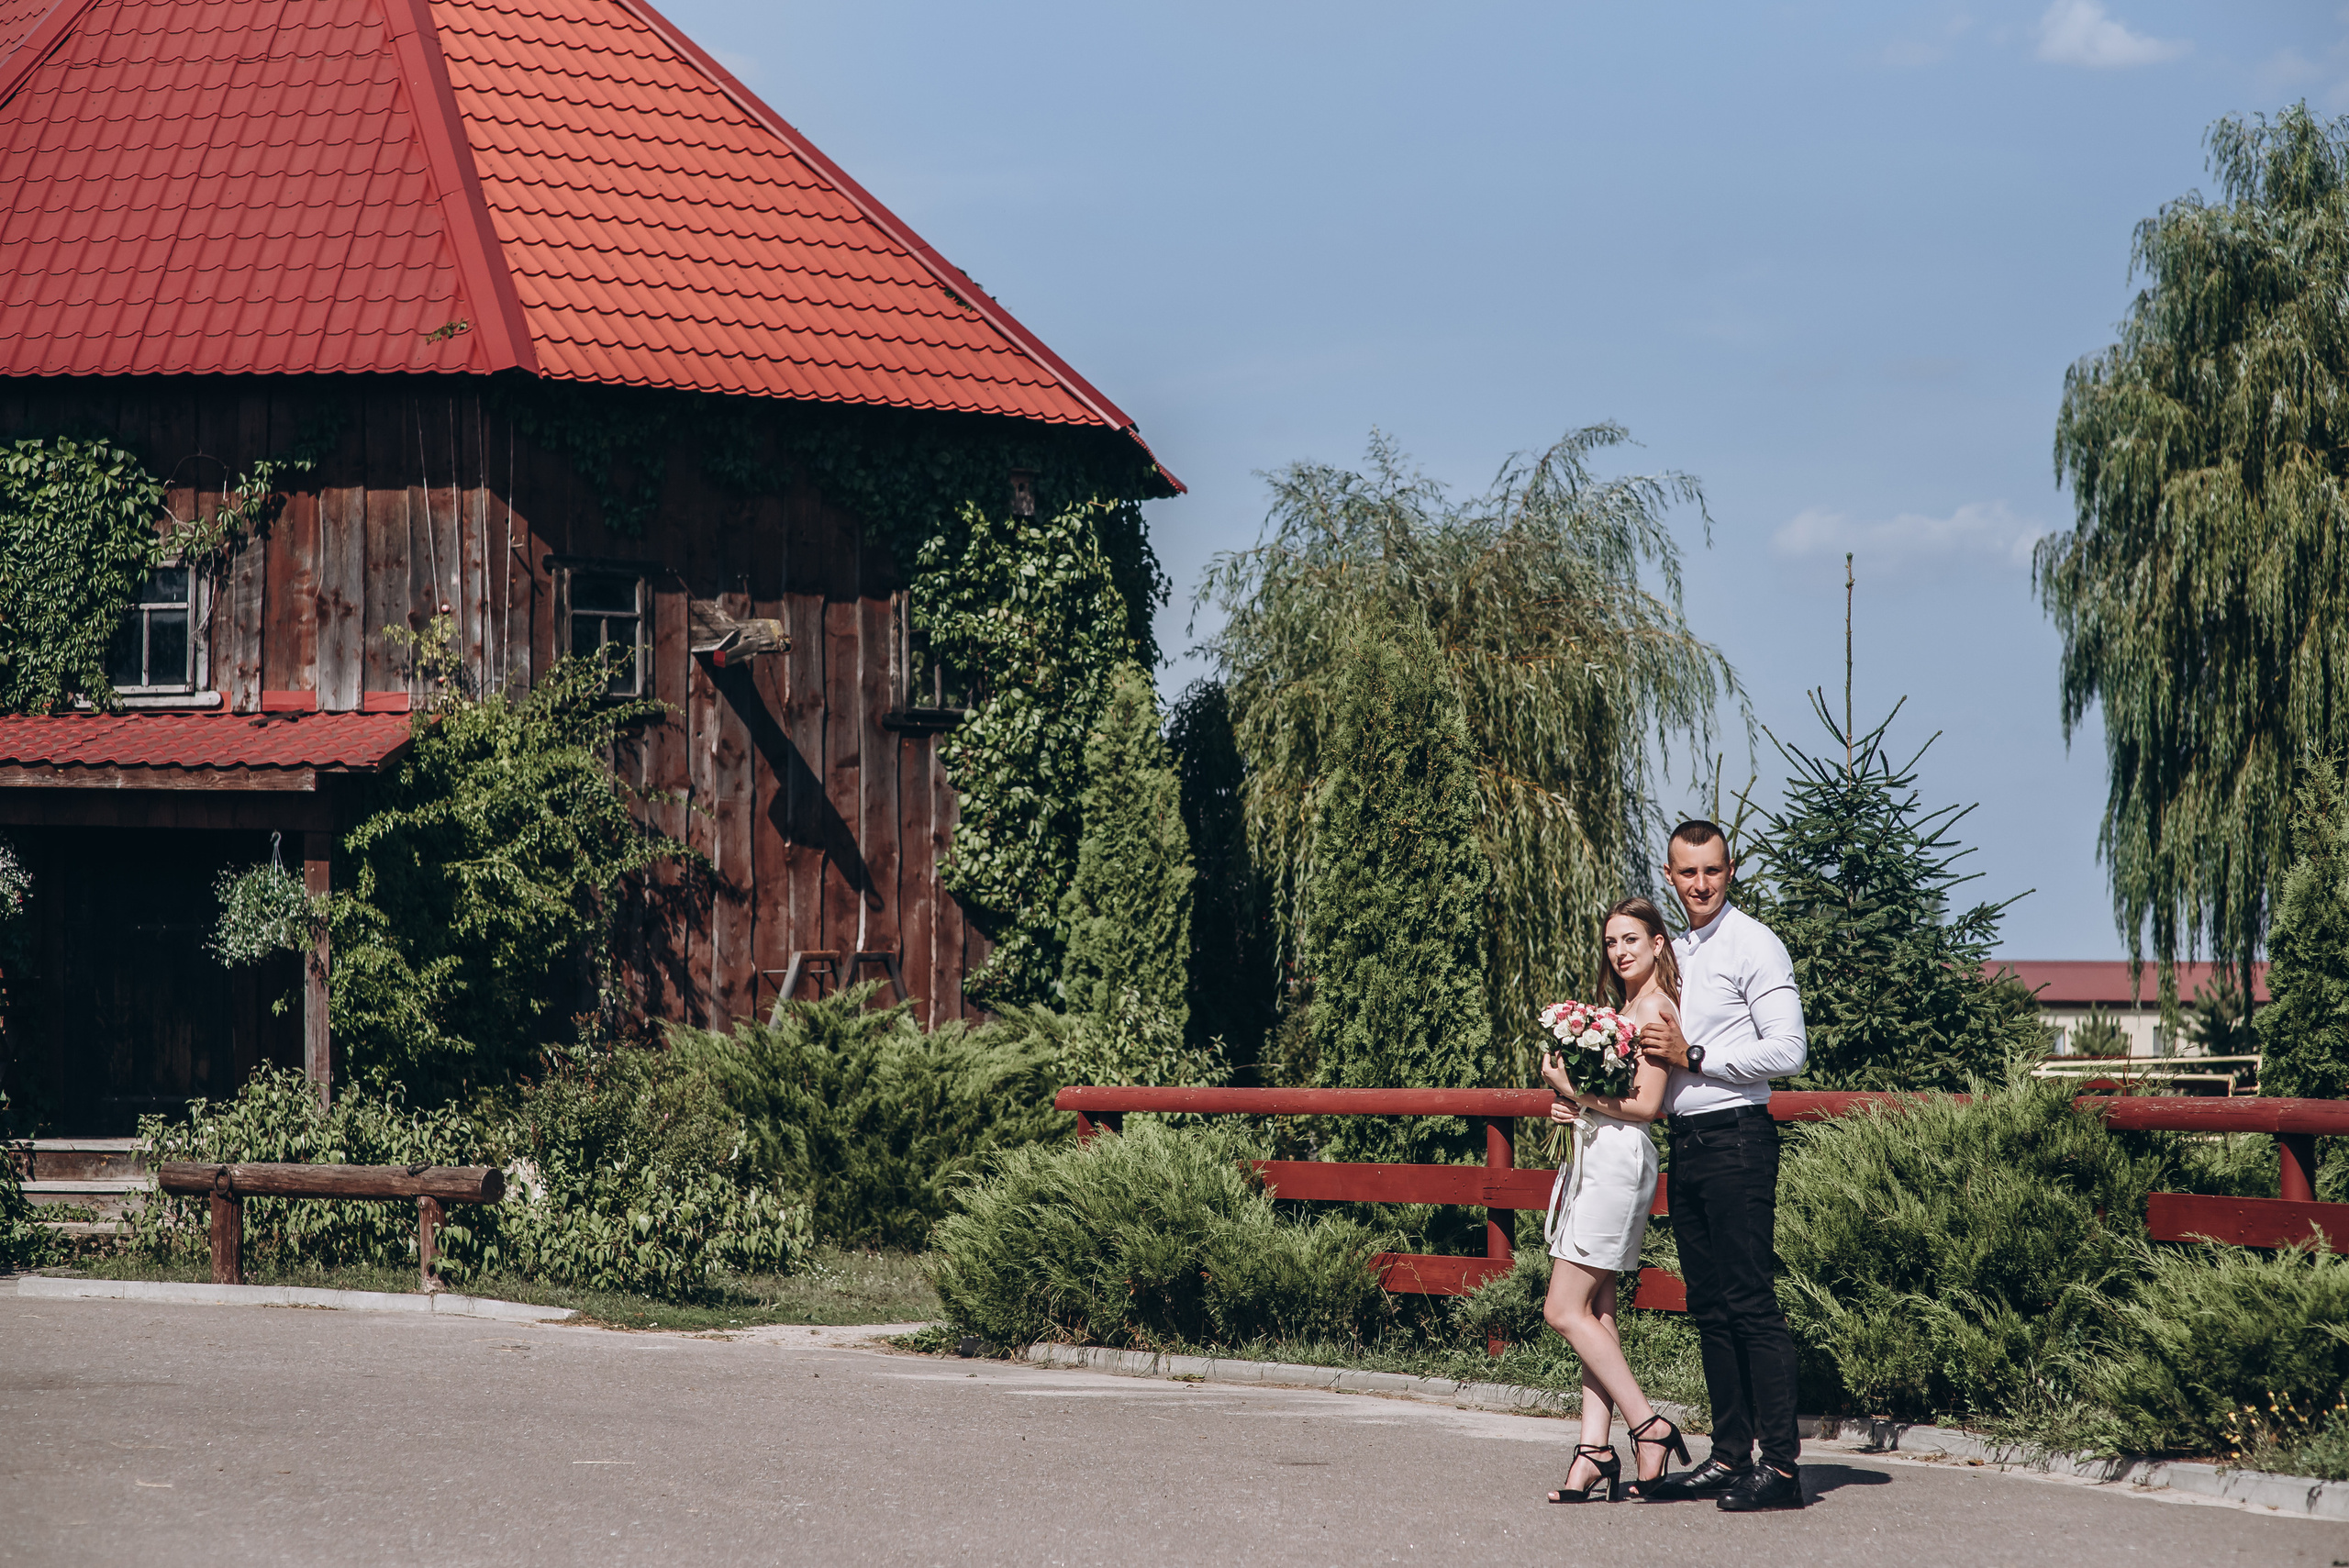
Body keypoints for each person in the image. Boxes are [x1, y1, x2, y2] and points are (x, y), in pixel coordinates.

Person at [1633, 819, 1809, 1513]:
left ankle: (1785, 1470)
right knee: (1708, 1305)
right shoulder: (1670, 950)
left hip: (1739, 1138)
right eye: (1687, 872)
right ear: (1669, 875)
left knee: (1750, 1301)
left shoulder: (1754, 943)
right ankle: (1733, 1455)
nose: (1700, 883)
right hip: (1689, 1141)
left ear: (1729, 869)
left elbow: (1789, 1050)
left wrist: (1696, 1055)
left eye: (1712, 870)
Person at [1537, 896, 1691, 1503]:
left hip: (1618, 1165)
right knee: (1597, 1314)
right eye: (1611, 942)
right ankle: (1593, 1450)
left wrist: (1573, 1087)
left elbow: (1648, 1105)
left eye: (1631, 938)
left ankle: (1649, 1425)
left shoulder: (1655, 1008)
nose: (1620, 950)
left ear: (1657, 943)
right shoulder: (1620, 1010)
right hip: (1594, 1155)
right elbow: (1610, 1097)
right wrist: (1573, 1105)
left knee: (1562, 1309)